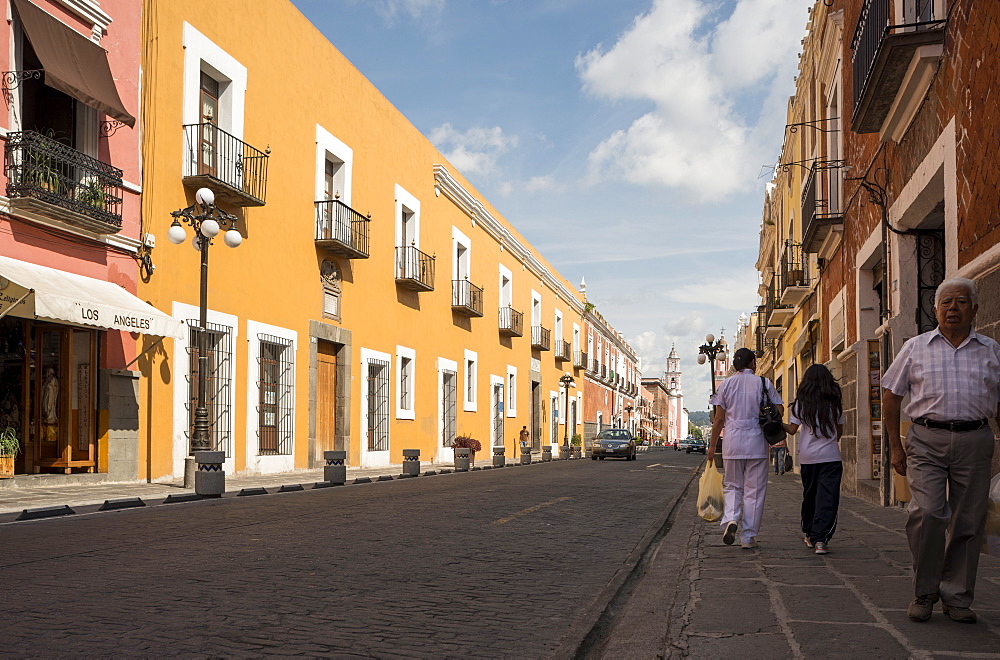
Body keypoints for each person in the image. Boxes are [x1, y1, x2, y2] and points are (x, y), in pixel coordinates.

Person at [882, 277, 1000, 624]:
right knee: (928, 513)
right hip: (926, 439)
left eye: (961, 302)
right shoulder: (916, 347)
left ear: (974, 309)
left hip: (976, 439)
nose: (953, 308)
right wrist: (894, 447)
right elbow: (891, 397)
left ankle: (957, 596)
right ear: (935, 310)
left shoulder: (991, 350)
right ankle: (925, 591)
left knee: (969, 520)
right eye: (946, 302)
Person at [707, 347, 782, 550]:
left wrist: (713, 446)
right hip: (757, 442)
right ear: (753, 363)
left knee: (732, 485)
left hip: (732, 441)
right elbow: (780, 410)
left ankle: (731, 518)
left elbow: (719, 419)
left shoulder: (726, 385)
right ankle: (748, 537)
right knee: (754, 491)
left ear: (735, 365)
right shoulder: (763, 383)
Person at [783, 364, 844, 556]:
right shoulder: (834, 402)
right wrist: (831, 442)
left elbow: (792, 430)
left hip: (808, 459)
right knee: (828, 498)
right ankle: (820, 540)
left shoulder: (801, 404)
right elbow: (839, 430)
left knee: (810, 496)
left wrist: (777, 423)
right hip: (831, 457)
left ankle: (809, 534)